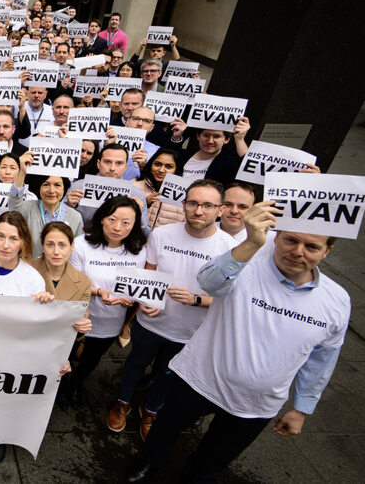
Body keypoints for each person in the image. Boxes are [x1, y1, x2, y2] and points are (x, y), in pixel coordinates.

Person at [127, 202, 350, 483]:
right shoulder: (243, 264)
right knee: (164, 431)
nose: (298, 251)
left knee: (213, 460)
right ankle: (150, 460)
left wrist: (302, 407)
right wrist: (251, 242)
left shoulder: (338, 301)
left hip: (257, 404)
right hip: (198, 381)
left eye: (312, 246)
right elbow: (208, 282)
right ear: (276, 236)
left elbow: (323, 357)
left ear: (327, 251)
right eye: (291, 240)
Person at [108, 180, 236, 438]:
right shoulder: (162, 235)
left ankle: (152, 409)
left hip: (190, 332)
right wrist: (144, 300)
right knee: (135, 363)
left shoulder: (230, 248)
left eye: (208, 205)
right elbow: (149, 273)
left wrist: (197, 300)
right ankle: (123, 402)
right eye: (193, 203)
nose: (199, 211)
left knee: (168, 373)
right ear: (184, 204)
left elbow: (232, 298)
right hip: (151, 323)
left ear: (220, 210)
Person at [0, 210, 58, 464]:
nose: (6, 245)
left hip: (8, 348)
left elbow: (36, 325)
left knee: (1, 394)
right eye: (1, 236)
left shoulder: (32, 280)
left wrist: (43, 304)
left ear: (24, 242)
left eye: (14, 238)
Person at [67, 196, 148, 407]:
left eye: (126, 222)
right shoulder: (81, 245)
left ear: (134, 224)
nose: (117, 227)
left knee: (91, 359)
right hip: (80, 315)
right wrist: (98, 291)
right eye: (112, 219)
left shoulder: (138, 251)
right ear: (101, 218)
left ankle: (75, 383)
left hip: (111, 319)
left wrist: (132, 299)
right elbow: (73, 282)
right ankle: (60, 384)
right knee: (65, 354)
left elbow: (137, 285)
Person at [33, 221, 94, 409]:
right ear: (42, 245)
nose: (56, 252)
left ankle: (59, 391)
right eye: (50, 244)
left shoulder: (83, 281)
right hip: (32, 342)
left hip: (60, 346)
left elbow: (81, 320)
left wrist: (83, 327)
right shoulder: (27, 271)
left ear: (72, 247)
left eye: (62, 245)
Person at [66, 143, 151, 234]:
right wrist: (68, 206)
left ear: (126, 167)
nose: (112, 168)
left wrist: (139, 215)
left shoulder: (136, 195)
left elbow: (146, 235)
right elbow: (60, 224)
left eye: (119, 163)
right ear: (98, 164)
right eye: (107, 162)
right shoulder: (77, 187)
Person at [10, 153, 84, 256]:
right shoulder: (28, 208)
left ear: (64, 189)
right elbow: (14, 204)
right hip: (31, 268)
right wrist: (22, 171)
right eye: (46, 184)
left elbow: (78, 251)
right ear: (39, 187)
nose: (51, 190)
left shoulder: (75, 217)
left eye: (57, 185)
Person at [132, 148, 185, 229]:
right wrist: (145, 203)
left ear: (176, 169)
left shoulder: (185, 194)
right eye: (157, 164)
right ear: (151, 164)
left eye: (168, 166)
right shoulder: (134, 185)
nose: (161, 170)